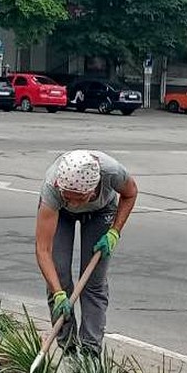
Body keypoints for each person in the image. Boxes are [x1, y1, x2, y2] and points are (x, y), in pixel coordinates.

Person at [35, 150, 138, 354]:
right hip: (60, 215)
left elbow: (131, 193)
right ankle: (69, 350)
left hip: (101, 212)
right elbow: (43, 249)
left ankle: (91, 351)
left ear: (92, 189)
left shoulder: (112, 172)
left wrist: (115, 232)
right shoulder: (52, 188)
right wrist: (58, 294)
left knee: (93, 282)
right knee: (58, 276)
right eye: (68, 197)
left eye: (79, 198)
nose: (73, 203)